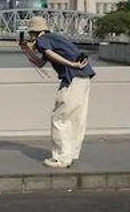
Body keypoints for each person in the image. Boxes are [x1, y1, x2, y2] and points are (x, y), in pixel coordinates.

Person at [19, 16, 95, 168]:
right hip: (84, 78)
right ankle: (70, 154)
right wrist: (26, 50)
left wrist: (71, 64)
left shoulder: (43, 40)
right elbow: (41, 63)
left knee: (59, 118)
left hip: (72, 79)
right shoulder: (55, 38)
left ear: (34, 32)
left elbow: (50, 54)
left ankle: (61, 158)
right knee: (75, 119)